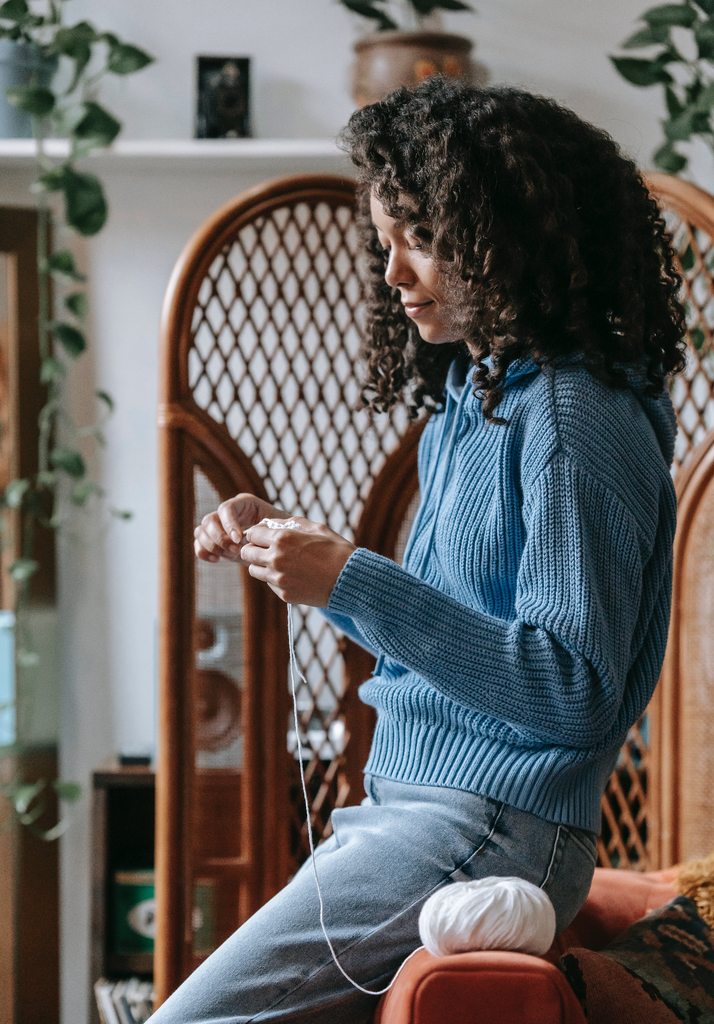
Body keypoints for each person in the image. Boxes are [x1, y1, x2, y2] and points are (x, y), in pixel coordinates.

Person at [150, 78, 685, 1023]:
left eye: (421, 240)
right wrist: (295, 551)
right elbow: (459, 636)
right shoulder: (476, 394)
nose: (394, 274)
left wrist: (352, 578)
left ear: (508, 239)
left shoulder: (571, 416)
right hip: (416, 811)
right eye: (385, 240)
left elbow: (573, 690)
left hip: (486, 825)